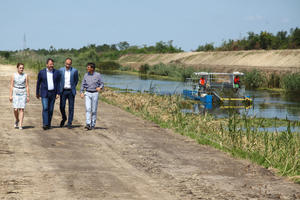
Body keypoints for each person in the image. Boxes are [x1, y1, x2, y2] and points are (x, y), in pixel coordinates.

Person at [36, 58, 61, 130]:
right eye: (50, 64)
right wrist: (37, 93)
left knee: (50, 109)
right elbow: (38, 83)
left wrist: (58, 93)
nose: (51, 65)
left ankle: (49, 123)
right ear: (47, 64)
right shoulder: (42, 72)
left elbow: (58, 83)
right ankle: (45, 124)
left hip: (53, 93)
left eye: (52, 64)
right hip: (44, 93)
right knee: (45, 108)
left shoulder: (57, 72)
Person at [80, 62, 104, 130]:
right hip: (87, 93)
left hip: (95, 93)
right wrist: (81, 92)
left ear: (92, 68)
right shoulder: (85, 75)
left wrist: (100, 87)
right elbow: (83, 84)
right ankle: (88, 124)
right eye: (87, 67)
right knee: (88, 109)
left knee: (93, 110)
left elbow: (102, 84)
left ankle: (93, 124)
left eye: (88, 67)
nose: (87, 68)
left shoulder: (98, 75)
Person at [59, 58, 78, 129]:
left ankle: (69, 122)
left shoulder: (74, 71)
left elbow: (76, 80)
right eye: (67, 64)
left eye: (69, 64)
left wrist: (73, 87)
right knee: (62, 106)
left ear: (71, 64)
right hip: (63, 91)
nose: (68, 65)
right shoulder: (61, 70)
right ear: (65, 63)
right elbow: (58, 80)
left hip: (71, 91)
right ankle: (64, 118)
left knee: (71, 107)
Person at [9, 63, 30, 129]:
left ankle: (20, 124)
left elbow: (27, 86)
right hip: (15, 92)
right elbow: (11, 85)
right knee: (15, 109)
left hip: (23, 92)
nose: (21, 69)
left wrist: (28, 96)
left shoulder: (25, 75)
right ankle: (17, 119)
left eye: (22, 68)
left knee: (21, 109)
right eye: (20, 68)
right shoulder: (14, 75)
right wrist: (10, 95)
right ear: (17, 68)